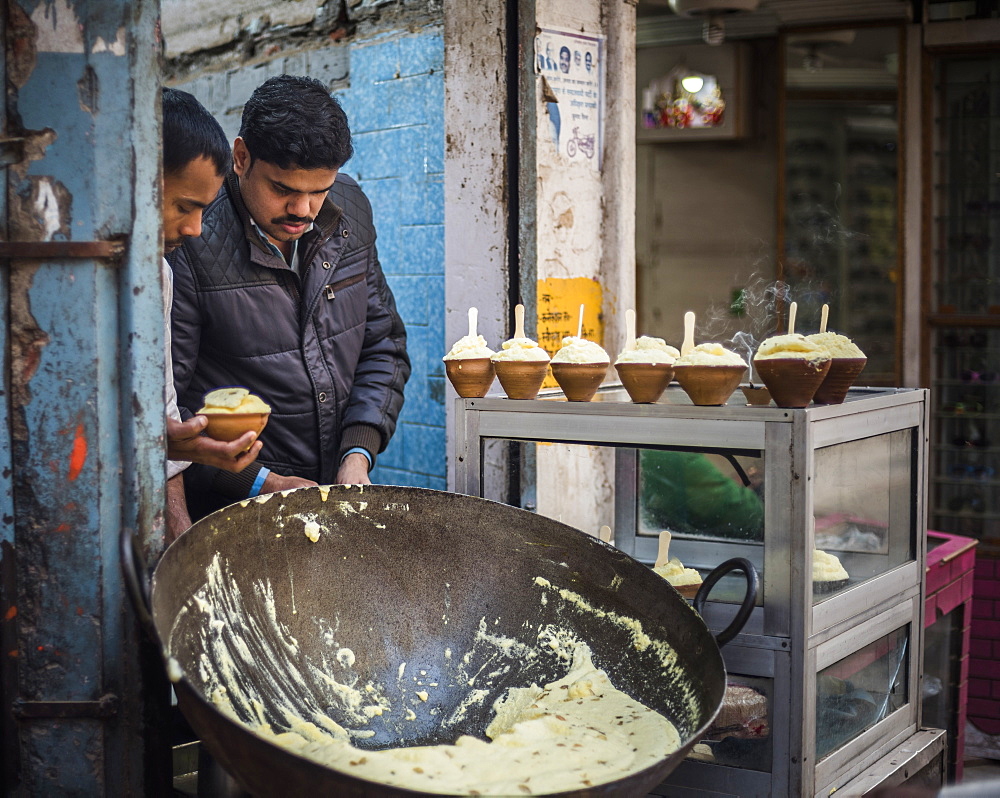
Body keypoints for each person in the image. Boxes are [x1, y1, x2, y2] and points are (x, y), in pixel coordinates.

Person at [169, 75, 410, 521]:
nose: (303, 209)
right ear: (241, 158)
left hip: (330, 499)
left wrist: (357, 453)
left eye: (319, 190)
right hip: (230, 513)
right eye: (282, 189)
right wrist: (261, 483)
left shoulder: (349, 208)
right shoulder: (190, 237)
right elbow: (169, 407)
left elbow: (383, 345)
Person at [160, 88, 263, 540]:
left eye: (203, 210)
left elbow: (163, 412)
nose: (195, 229)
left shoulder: (159, 274)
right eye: (185, 207)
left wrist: (180, 549)